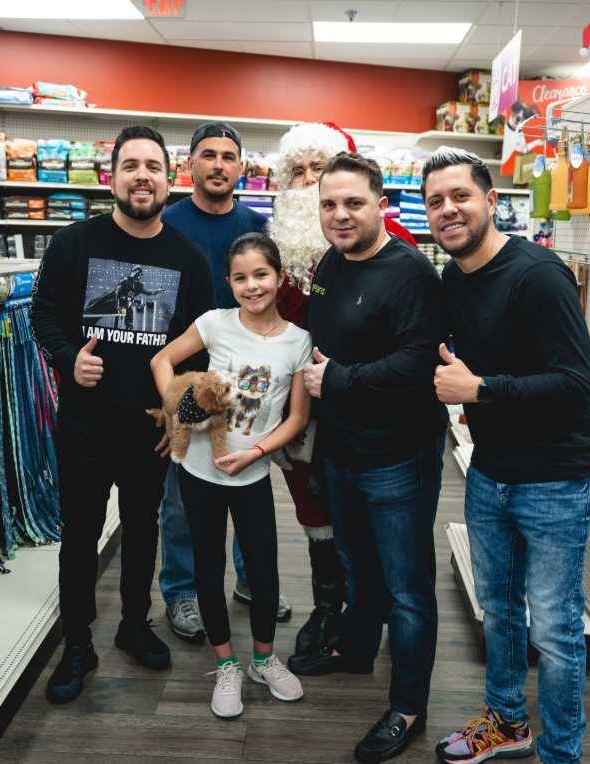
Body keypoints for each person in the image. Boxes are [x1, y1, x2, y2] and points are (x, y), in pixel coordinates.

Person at [424, 148, 590, 764]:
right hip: (491, 470)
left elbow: (578, 385)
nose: (449, 210)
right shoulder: (455, 278)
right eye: (435, 201)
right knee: (498, 609)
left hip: (555, 478)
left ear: (491, 201)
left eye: (460, 196)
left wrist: (479, 390)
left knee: (554, 631)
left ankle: (561, 754)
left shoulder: (538, 275)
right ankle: (506, 723)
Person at [30, 125, 216, 703]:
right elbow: (44, 317)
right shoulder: (72, 244)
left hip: (150, 430)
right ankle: (77, 643)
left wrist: (181, 417)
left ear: (169, 179)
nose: (143, 176)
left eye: (153, 167)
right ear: (112, 176)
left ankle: (134, 624)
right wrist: (68, 361)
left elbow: (205, 348)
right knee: (79, 537)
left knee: (142, 532)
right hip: (85, 423)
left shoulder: (188, 258)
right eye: (131, 165)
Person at [287, 152, 448, 764]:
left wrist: (343, 382)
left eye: (353, 203)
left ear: (383, 205)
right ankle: (355, 651)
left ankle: (408, 706)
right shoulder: (330, 261)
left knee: (408, 589)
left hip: (398, 456)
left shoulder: (409, 273)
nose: (340, 215)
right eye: (329, 204)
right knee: (357, 564)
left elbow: (420, 362)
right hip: (344, 450)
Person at [267, 121, 416, 656]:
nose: (309, 183)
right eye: (298, 172)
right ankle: (328, 608)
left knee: (365, 516)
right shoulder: (279, 246)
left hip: (367, 406)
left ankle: (362, 614)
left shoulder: (390, 240)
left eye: (319, 169)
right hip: (298, 402)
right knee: (312, 506)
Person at [151, 232, 312, 718]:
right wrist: (179, 408)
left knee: (264, 575)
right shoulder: (215, 324)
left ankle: (264, 659)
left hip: (252, 475)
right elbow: (162, 360)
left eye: (261, 275)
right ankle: (226, 665)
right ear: (229, 282)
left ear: (279, 278)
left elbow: (298, 419)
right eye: (240, 277)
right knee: (207, 570)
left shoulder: (299, 342)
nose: (251, 285)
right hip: (199, 473)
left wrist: (256, 452)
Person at [159, 121, 290, 641]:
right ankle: (183, 591)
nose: (218, 164)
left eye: (228, 156)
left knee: (245, 476)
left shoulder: (256, 223)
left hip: (247, 380)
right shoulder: (167, 223)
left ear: (242, 167)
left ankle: (252, 582)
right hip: (189, 376)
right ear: (189, 164)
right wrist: (170, 403)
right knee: (181, 497)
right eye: (207, 155)